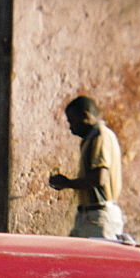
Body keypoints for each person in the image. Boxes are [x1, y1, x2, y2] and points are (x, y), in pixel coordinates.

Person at [49, 95, 124, 239]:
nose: (71, 128)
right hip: (88, 216)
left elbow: (99, 178)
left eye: (72, 122)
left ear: (85, 116)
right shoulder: (89, 139)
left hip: (99, 218)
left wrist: (67, 183)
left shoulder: (100, 136)